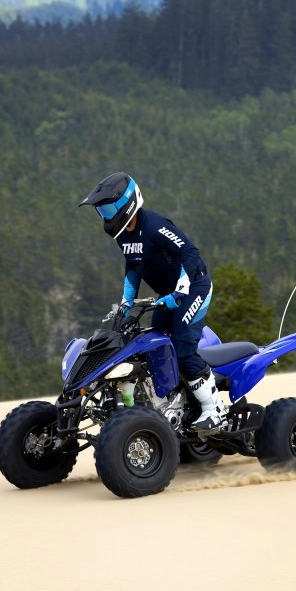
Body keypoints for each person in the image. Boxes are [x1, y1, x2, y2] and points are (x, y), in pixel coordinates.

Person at [79, 172, 227, 431]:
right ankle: (176, 404)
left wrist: (181, 290)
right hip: (167, 294)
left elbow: (189, 252)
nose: (106, 217)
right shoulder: (123, 234)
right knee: (155, 346)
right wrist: (126, 302)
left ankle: (214, 409)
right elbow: (133, 266)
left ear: (128, 204)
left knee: (182, 346)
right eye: (102, 212)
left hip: (194, 288)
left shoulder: (155, 227)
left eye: (109, 209)